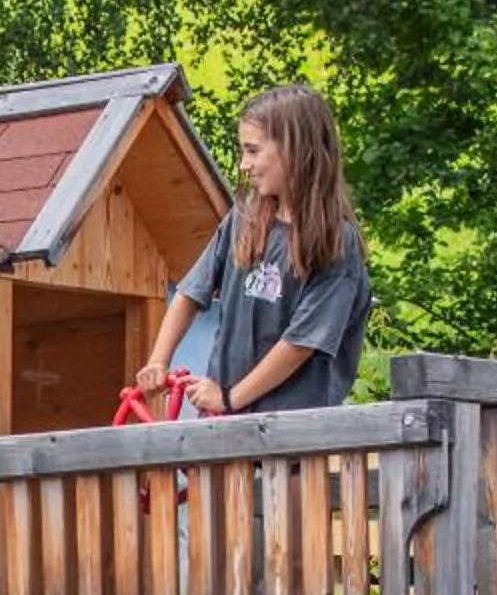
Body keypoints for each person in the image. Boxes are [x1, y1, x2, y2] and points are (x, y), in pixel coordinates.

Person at [136, 81, 372, 417]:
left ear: (294, 149)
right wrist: (158, 360)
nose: (244, 164)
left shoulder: (337, 243)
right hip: (225, 425)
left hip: (291, 436)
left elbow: (300, 344)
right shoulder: (243, 220)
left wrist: (230, 397)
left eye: (253, 150)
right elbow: (189, 294)